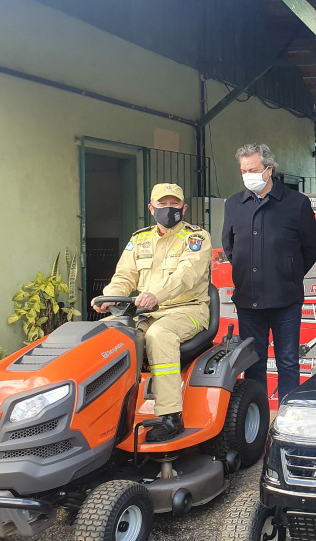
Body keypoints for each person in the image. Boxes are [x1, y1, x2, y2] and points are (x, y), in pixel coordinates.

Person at [92, 183, 211, 442]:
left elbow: (186, 275)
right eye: (162, 204)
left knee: (159, 335)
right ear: (151, 208)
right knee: (105, 334)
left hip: (187, 310)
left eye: (174, 204)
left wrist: (157, 294)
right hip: (145, 311)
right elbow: (124, 276)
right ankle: (104, 413)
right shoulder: (139, 239)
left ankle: (171, 415)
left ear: (184, 207)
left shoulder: (196, 237)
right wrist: (108, 296)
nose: (169, 209)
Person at [222, 143, 316, 402]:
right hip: (248, 300)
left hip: (285, 300)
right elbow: (230, 247)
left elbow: (311, 247)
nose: (247, 175)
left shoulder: (296, 203)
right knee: (253, 364)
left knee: (288, 361)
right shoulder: (234, 204)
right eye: (243, 170)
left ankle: (287, 416)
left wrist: (289, 272)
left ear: (269, 169)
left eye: (252, 169)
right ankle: (258, 416)